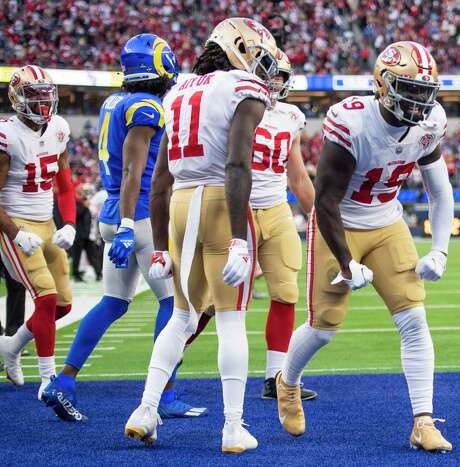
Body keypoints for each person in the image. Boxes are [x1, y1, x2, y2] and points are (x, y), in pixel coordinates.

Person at [275, 41, 454, 453]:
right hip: (341, 224)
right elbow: (325, 200)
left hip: (387, 222)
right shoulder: (350, 121)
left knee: (414, 320)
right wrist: (345, 261)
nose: (419, 100)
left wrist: (440, 249)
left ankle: (423, 421)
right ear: (382, 85)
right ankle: (288, 382)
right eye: (409, 89)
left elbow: (439, 190)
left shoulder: (431, 122)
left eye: (425, 91)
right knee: (323, 329)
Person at [123, 18, 279, 453]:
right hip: (218, 201)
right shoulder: (242, 89)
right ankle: (233, 427)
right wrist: (240, 239)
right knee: (231, 319)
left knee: (181, 315)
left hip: (179, 205)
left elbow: (159, 181)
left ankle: (145, 408)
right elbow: (236, 165)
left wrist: (158, 248)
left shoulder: (178, 92)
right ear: (237, 48)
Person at [42, 34, 202, 421]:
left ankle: (63, 381)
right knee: (176, 305)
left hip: (113, 211)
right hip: (139, 215)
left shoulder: (116, 101)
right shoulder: (147, 106)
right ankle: (163, 393)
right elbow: (134, 171)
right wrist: (131, 225)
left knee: (113, 302)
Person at [183, 51, 318, 401]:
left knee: (287, 289)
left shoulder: (291, 116)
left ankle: (277, 378)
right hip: (235, 210)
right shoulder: (233, 104)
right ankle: (168, 364)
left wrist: (319, 220)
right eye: (268, 74)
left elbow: (298, 176)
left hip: (276, 209)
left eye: (280, 76)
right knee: (212, 302)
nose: (274, 82)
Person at [0, 65, 77, 399]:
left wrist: (70, 223)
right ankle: (48, 379)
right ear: (18, 98)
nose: (44, 101)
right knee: (44, 298)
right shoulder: (7, 135)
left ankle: (10, 346)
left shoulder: (59, 128)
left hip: (46, 223)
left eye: (47, 93)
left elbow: (63, 184)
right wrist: (15, 233)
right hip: (14, 224)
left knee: (62, 306)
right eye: (35, 95)